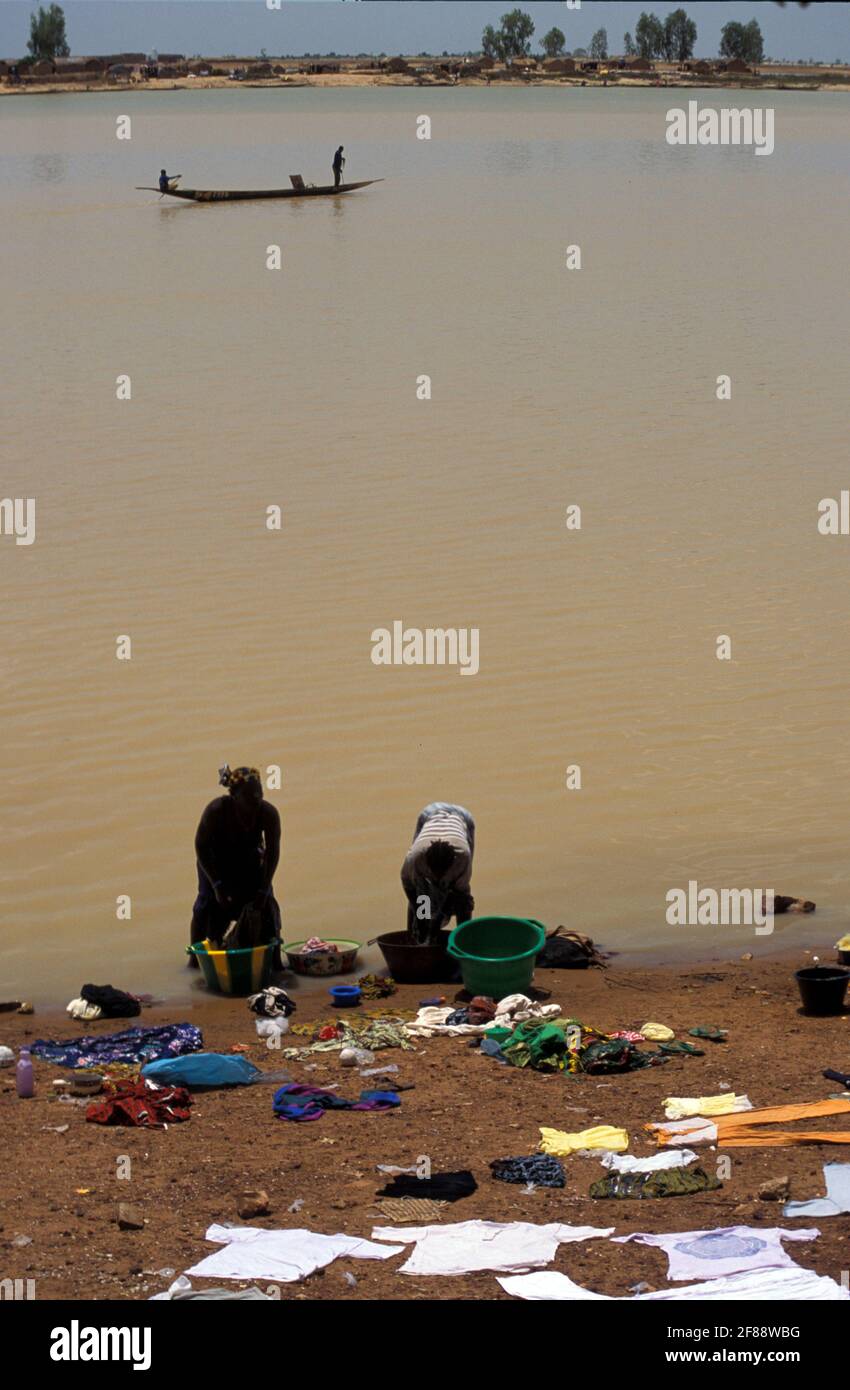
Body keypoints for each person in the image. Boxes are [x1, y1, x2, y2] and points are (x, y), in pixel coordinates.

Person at [189, 765, 282, 966]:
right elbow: (201, 847)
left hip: (249, 861)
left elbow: (273, 853)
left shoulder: (268, 813)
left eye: (259, 796)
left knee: (267, 906)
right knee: (205, 907)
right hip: (215, 864)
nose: (255, 802)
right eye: (249, 798)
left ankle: (275, 960)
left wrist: (264, 889)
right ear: (234, 796)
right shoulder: (216, 810)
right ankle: (195, 961)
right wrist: (217, 885)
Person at [401, 802, 475, 944]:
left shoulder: (462, 858)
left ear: (452, 864)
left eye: (442, 874)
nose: (437, 878)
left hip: (463, 817)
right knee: (420, 894)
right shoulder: (416, 858)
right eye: (434, 873)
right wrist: (421, 914)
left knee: (463, 902)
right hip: (430, 814)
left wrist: (436, 922)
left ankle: (464, 942)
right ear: (426, 863)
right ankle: (414, 941)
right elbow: (409, 886)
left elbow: (458, 893)